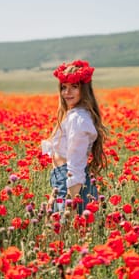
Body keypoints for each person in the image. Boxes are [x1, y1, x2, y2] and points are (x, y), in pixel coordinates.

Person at [41, 60, 107, 215]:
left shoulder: (78, 119)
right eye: (64, 87)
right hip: (65, 184)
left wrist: (70, 206)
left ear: (84, 90)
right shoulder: (74, 115)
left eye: (74, 87)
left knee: (64, 234)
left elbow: (74, 166)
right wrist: (55, 193)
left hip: (72, 188)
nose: (67, 92)